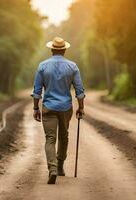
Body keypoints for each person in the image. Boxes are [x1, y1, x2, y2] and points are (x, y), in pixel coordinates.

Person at [31, 37, 85, 184]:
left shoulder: (42, 66)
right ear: (65, 50)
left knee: (50, 139)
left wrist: (36, 107)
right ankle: (60, 166)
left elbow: (37, 91)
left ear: (51, 50)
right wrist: (81, 107)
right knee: (63, 137)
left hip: (48, 107)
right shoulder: (72, 67)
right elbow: (79, 90)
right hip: (65, 108)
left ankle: (52, 169)